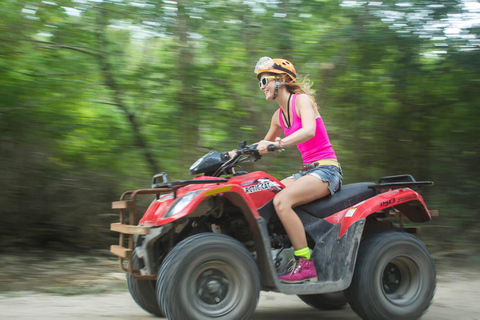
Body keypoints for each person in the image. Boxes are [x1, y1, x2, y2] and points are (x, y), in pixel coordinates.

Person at [254, 57, 343, 283]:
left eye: (265, 80)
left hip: (326, 171)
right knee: (266, 193)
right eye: (259, 82)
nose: (262, 86)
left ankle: (304, 263)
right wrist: (230, 155)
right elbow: (261, 147)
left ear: (281, 80)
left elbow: (309, 131)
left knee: (281, 201)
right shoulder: (277, 116)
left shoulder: (302, 101)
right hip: (306, 172)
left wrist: (279, 143)